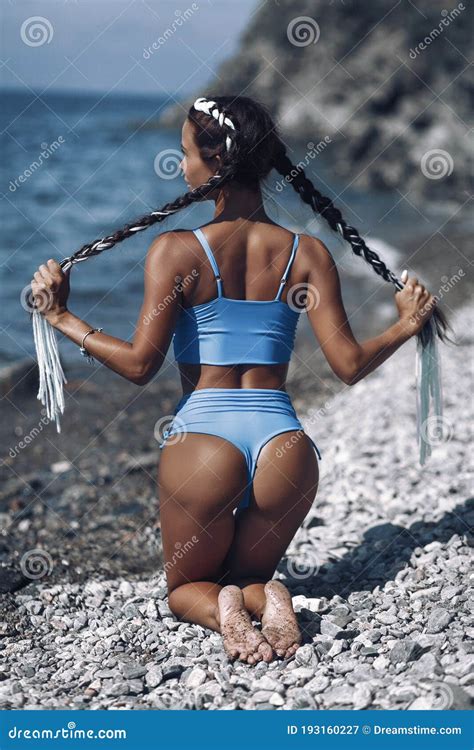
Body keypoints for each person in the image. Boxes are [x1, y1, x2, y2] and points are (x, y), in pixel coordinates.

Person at [30, 95, 443, 665]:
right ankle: (265, 592)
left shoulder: (176, 251)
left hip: (205, 440)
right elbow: (347, 365)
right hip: (286, 449)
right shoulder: (309, 253)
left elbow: (137, 365)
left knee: (183, 589)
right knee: (246, 573)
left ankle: (225, 606)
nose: (180, 166)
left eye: (184, 153)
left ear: (216, 159)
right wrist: (404, 325)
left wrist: (61, 318)